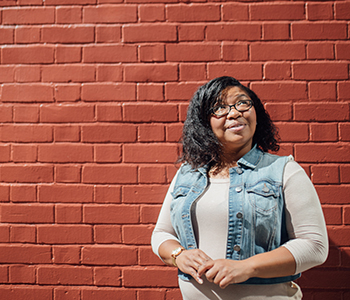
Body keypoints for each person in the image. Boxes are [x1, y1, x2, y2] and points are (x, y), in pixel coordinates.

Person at [151, 76, 328, 299]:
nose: (234, 113)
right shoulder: (188, 174)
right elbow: (161, 234)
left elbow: (315, 246)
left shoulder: (283, 170)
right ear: (204, 122)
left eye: (242, 103)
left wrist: (245, 268)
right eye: (220, 108)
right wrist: (180, 255)